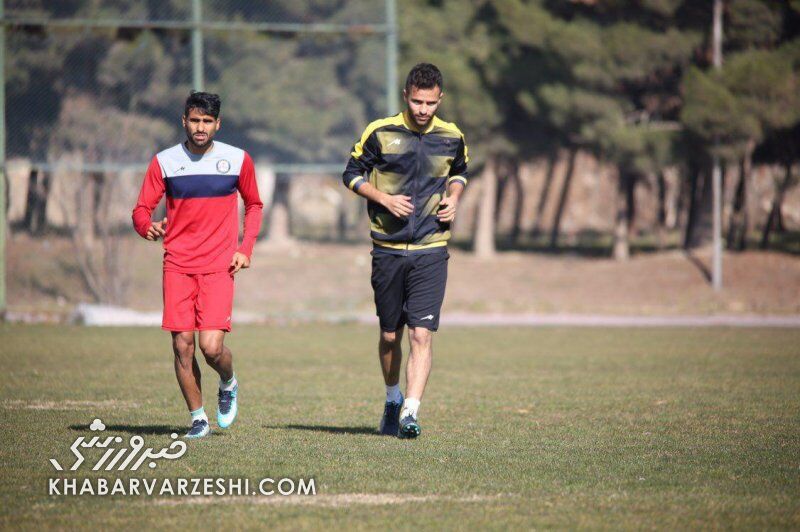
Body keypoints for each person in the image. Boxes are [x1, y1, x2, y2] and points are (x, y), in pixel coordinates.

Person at [342, 63, 468, 438]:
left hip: (432, 247)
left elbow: (459, 171)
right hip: (388, 249)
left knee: (421, 334)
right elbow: (350, 174)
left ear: (439, 99)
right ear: (406, 96)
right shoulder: (380, 132)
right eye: (417, 101)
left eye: (430, 103)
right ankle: (393, 397)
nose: (423, 109)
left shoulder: (451, 136)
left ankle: (411, 413)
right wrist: (383, 198)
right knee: (389, 336)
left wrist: (455, 197)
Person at [132, 92, 263, 438]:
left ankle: (228, 381)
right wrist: (148, 227)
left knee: (211, 348)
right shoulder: (165, 162)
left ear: (217, 124)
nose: (200, 128)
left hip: (220, 266)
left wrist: (245, 247)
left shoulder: (237, 160)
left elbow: (254, 205)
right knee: (182, 346)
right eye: (194, 120)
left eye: (207, 122)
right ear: (184, 121)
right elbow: (141, 209)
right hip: (177, 264)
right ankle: (198, 419)